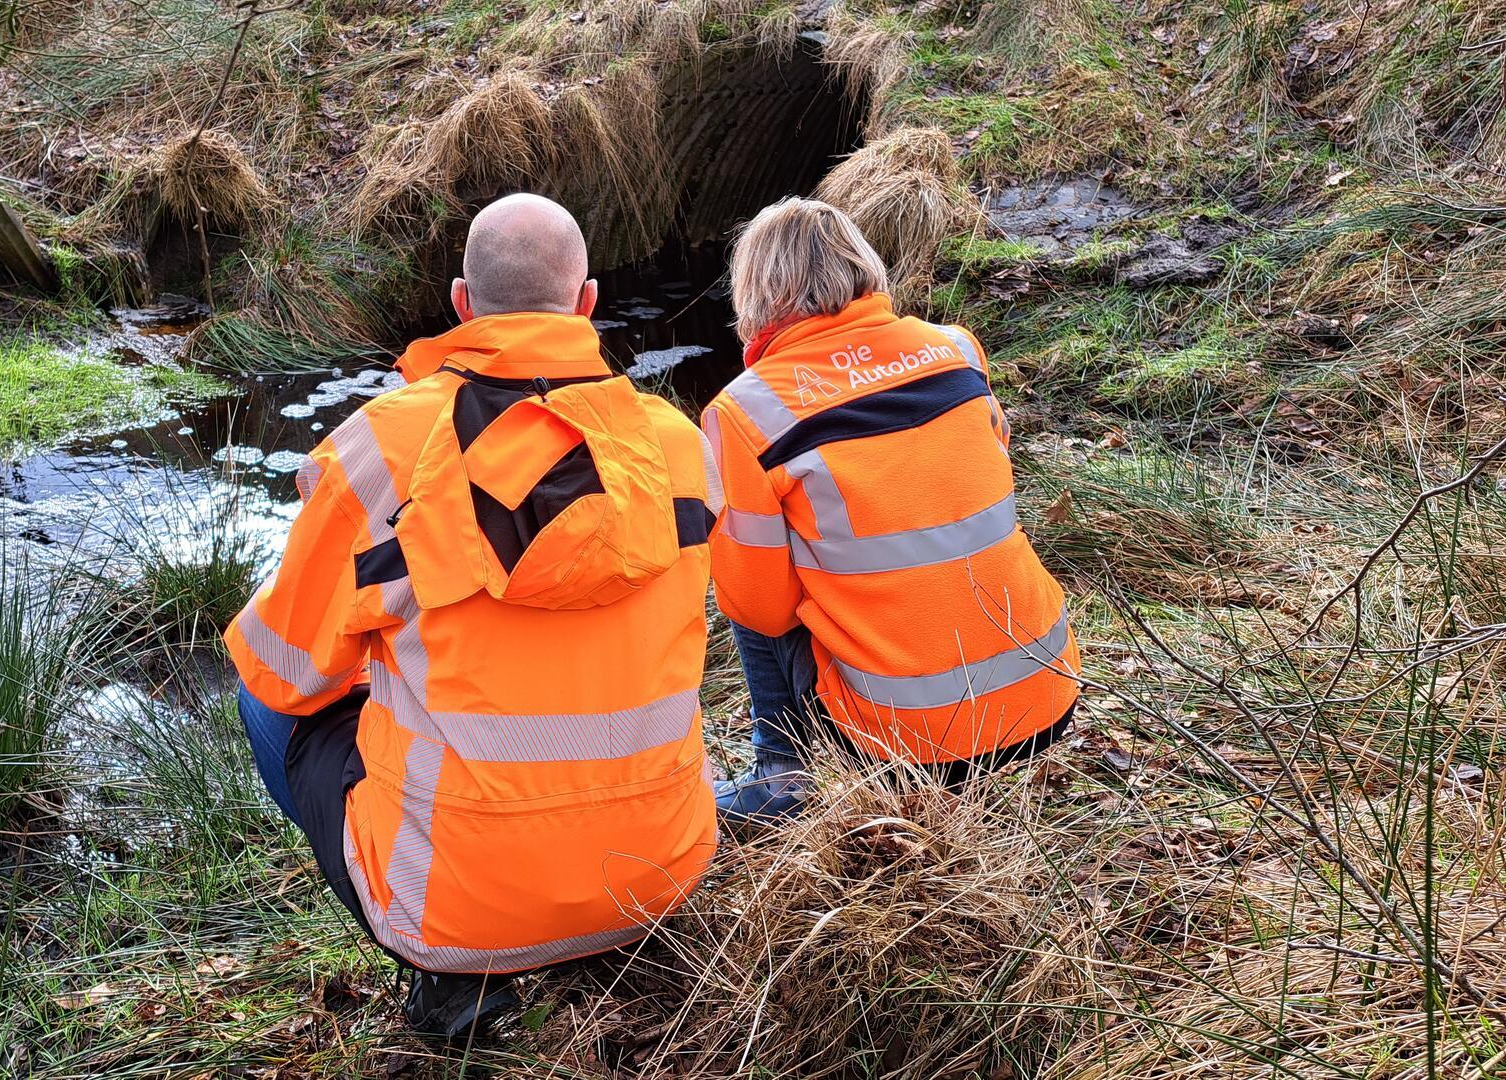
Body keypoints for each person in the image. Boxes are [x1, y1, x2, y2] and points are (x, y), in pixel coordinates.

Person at [224, 193, 720, 1038]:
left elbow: (287, 670)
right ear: (588, 302)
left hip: (456, 912)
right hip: (656, 876)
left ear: (460, 303)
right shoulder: (679, 446)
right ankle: (581, 929)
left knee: (262, 700)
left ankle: (452, 981)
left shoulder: (381, 446)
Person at [703, 197, 1080, 823]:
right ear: (864, 267)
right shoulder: (957, 349)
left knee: (745, 580)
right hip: (1044, 698)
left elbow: (762, 610)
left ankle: (782, 771)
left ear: (755, 294)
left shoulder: (743, 413)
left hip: (904, 742)